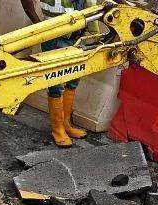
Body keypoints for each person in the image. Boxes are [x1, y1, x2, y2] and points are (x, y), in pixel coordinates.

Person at [20, 0, 94, 148]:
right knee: (56, 84)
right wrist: (39, 26)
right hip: (54, 35)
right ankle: (58, 130)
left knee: (73, 80)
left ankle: (66, 124)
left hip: (77, 33)